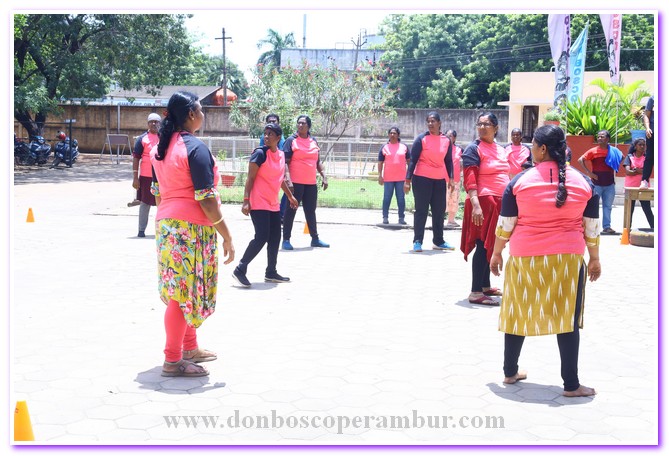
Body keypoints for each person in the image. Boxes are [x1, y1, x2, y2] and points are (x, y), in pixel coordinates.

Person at [489, 124, 600, 397]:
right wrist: (595, 259)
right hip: (568, 261)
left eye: (533, 146)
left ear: (541, 149)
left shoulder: (519, 182)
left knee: (517, 312)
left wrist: (496, 253)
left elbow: (506, 224)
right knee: (567, 319)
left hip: (525, 259)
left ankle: (510, 372)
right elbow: (591, 229)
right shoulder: (585, 184)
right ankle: (571, 385)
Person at [150, 91, 235, 377]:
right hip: (191, 228)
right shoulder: (194, 148)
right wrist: (227, 235)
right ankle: (173, 360)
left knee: (183, 290)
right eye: (201, 110)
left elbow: (158, 194)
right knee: (182, 294)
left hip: (168, 226)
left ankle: (189, 347)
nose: (203, 115)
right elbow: (207, 199)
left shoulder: (159, 149)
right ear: (190, 114)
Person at [232, 123, 299, 288]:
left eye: (270, 134)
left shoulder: (281, 155)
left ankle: (271, 272)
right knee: (261, 236)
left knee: (275, 237)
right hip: (258, 202)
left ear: (278, 138)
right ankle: (240, 269)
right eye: (265, 133)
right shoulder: (260, 154)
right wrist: (246, 200)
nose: (267, 136)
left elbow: (280, 179)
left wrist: (290, 196)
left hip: (273, 203)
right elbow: (250, 178)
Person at [460, 112, 509, 305]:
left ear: (496, 128)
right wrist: (476, 205)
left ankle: (485, 285)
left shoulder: (501, 149)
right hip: (482, 203)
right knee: (482, 244)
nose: (482, 127)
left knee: (492, 243)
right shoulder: (473, 149)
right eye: (479, 124)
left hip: (498, 203)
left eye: (486, 124)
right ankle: (475, 292)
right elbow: (470, 178)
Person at [404, 111, 454, 252]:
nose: (430, 124)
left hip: (439, 180)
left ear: (439, 123)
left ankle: (439, 241)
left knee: (439, 211)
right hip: (422, 179)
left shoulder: (446, 140)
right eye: (428, 121)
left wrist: (451, 178)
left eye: (433, 121)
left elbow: (448, 161)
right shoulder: (421, 139)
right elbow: (413, 160)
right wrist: (407, 180)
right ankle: (417, 241)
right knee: (421, 211)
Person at [281, 115, 330, 249]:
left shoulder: (313, 141)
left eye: (303, 123)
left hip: (311, 184)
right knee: (290, 211)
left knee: (310, 211)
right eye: (299, 123)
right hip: (295, 184)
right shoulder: (291, 140)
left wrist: (324, 176)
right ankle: (286, 240)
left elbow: (317, 161)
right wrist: (288, 179)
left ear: (309, 126)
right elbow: (285, 162)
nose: (300, 125)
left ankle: (315, 239)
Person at [577, 130, 622, 235]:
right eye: (598, 136)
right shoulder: (593, 151)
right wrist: (589, 173)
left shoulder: (613, 151)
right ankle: (590, 227)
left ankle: (607, 227)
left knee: (608, 207)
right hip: (596, 184)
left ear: (608, 139)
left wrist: (615, 164)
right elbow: (580, 160)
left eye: (602, 136)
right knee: (592, 206)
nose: (600, 138)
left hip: (610, 184)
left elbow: (622, 157)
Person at [130, 113, 160, 237]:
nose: (154, 124)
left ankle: (162, 231)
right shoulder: (142, 139)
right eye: (151, 121)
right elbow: (136, 158)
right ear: (147, 124)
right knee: (144, 203)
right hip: (146, 177)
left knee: (162, 204)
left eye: (156, 121)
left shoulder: (164, 138)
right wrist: (135, 178)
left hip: (161, 177)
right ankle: (141, 230)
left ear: (160, 124)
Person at [259, 114, 288, 222]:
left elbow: (281, 155)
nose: (272, 123)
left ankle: (280, 214)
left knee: (287, 190)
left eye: (274, 121)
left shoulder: (281, 138)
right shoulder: (264, 138)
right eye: (269, 121)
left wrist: (285, 173)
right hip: (267, 168)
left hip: (278, 168)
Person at [378, 126, 410, 225]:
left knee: (401, 199)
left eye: (394, 133)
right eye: (391, 133)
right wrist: (380, 176)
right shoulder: (384, 147)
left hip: (401, 179)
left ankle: (401, 218)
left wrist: (409, 178)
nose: (392, 135)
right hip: (388, 179)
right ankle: (385, 217)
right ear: (388, 135)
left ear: (398, 135)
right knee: (387, 198)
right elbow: (380, 162)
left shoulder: (404, 147)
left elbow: (409, 162)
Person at [622, 138, 654, 231]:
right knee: (629, 210)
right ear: (635, 146)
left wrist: (636, 170)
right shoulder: (629, 157)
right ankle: (627, 230)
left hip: (643, 187)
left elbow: (648, 171)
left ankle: (655, 228)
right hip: (630, 187)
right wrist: (641, 171)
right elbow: (628, 172)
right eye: (640, 145)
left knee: (647, 209)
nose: (642, 146)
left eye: (644, 145)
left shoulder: (647, 158)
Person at [445, 129, 463, 229]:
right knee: (443, 199)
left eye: (450, 136)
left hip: (455, 179)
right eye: (447, 136)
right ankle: (439, 220)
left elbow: (464, 162)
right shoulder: (442, 148)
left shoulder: (459, 150)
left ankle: (451, 220)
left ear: (454, 138)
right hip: (443, 179)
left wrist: (460, 170)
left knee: (454, 199)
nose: (448, 138)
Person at [640, 95, 654, 189]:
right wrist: (648, 128)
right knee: (650, 157)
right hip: (653, 132)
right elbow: (646, 115)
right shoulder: (653, 98)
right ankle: (644, 180)